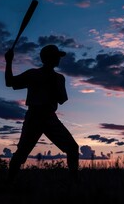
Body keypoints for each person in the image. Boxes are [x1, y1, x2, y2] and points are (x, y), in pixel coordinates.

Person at [4, 44, 79, 181]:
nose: (58, 59)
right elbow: (10, 82)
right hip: (35, 116)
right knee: (22, 153)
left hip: (49, 116)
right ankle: (8, 182)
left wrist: (51, 85)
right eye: (56, 57)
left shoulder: (58, 78)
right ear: (48, 58)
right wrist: (8, 62)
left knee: (72, 148)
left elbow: (62, 99)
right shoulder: (33, 74)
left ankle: (74, 182)